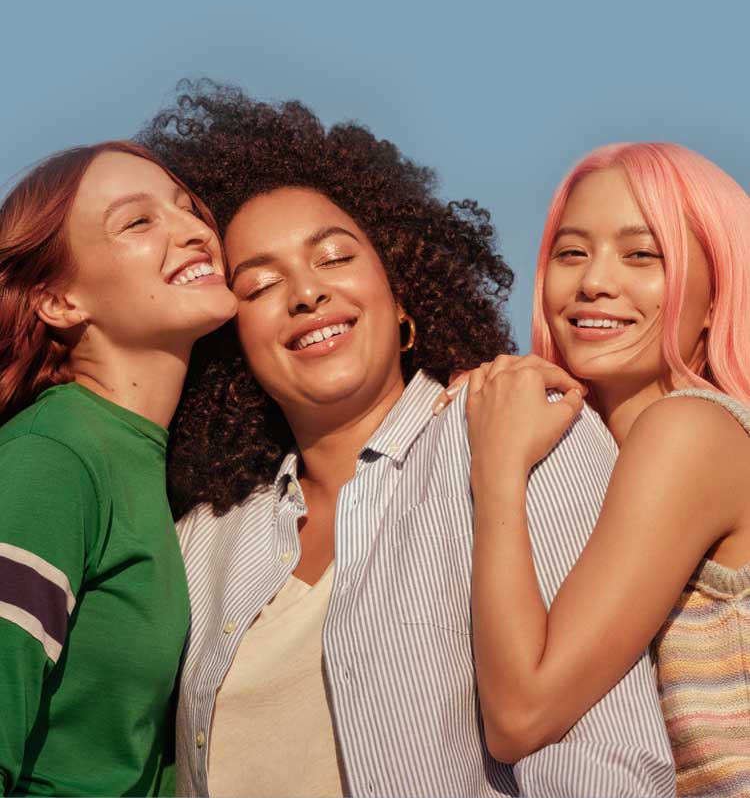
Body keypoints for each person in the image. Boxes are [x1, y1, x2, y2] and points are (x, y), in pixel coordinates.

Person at [141, 83, 675, 798]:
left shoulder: (523, 432)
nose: (305, 293)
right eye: (260, 285)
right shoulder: (203, 540)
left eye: (334, 258)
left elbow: (598, 759)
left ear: (401, 297)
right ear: (235, 340)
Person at [458, 141, 750, 798]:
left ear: (715, 298)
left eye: (642, 254)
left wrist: (497, 464)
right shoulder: (603, 462)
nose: (595, 280)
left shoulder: (693, 430)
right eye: (571, 252)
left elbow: (521, 713)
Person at [0, 140, 237, 797]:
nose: (193, 231)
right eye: (138, 221)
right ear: (60, 302)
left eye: (188, 210)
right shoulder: (53, 458)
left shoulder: (145, 462)